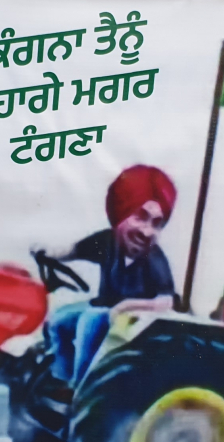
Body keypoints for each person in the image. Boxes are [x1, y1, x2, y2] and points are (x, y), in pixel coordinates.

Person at [45, 165, 177, 385]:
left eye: (156, 224)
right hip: (104, 307)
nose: (146, 231)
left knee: (89, 322)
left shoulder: (154, 258)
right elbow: (72, 251)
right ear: (122, 213)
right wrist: (47, 252)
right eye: (140, 217)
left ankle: (82, 388)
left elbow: (166, 301)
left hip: (132, 321)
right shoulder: (107, 241)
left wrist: (127, 306)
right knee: (58, 320)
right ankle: (61, 379)